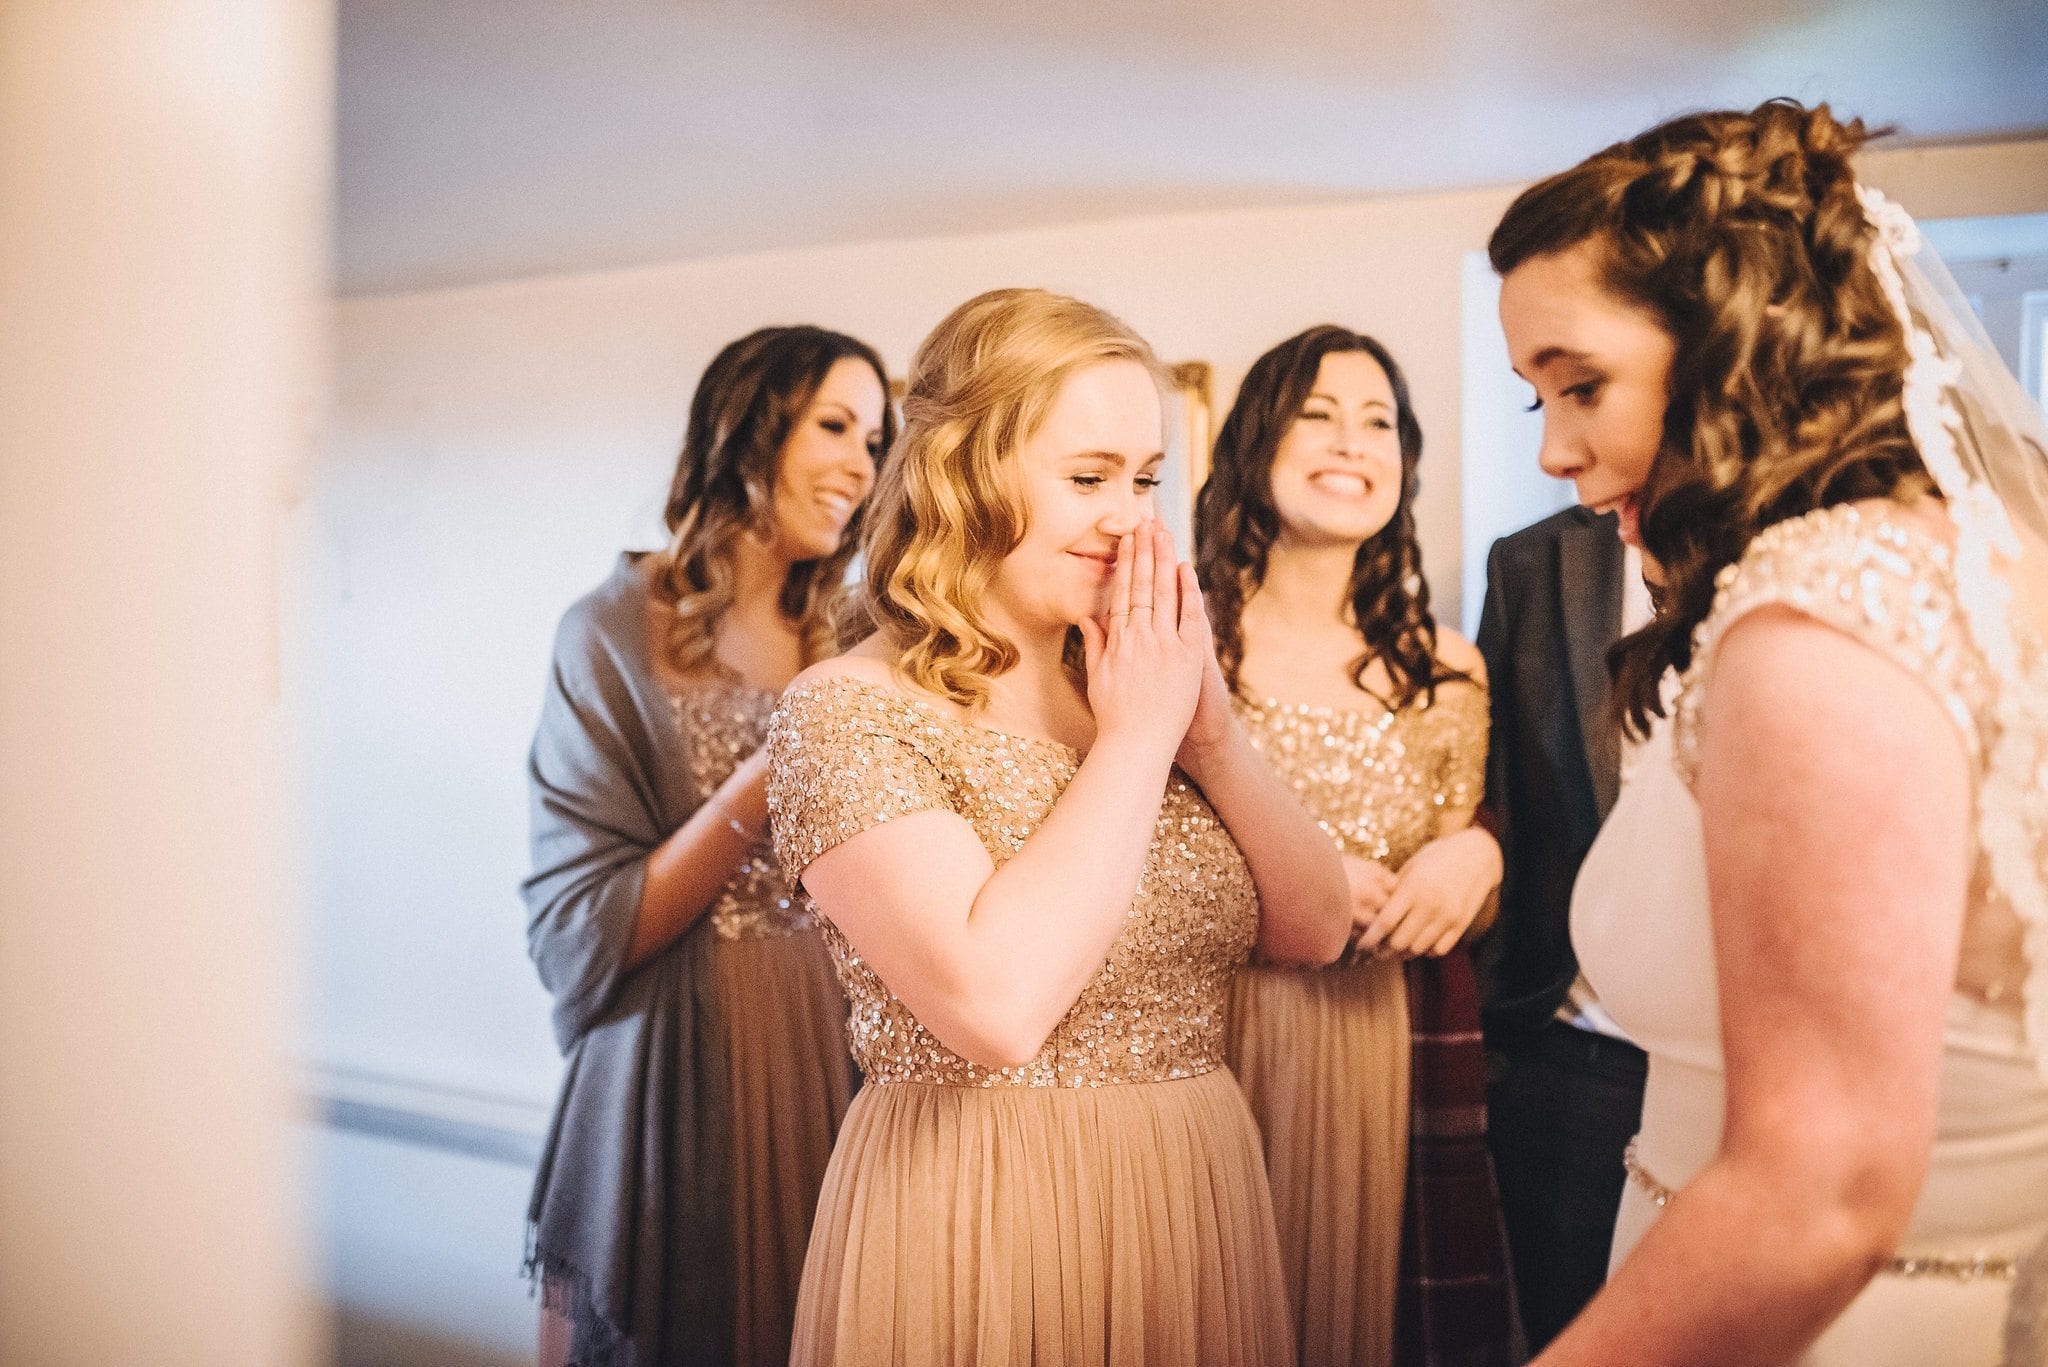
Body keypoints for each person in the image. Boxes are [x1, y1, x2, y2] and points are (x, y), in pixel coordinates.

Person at [1491, 98, 2048, 1364]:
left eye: (1581, 386)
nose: (1555, 451)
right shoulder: (1981, 559)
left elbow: (1819, 1189)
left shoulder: (1815, 623)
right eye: (1533, 399)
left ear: (1732, 346)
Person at [765, 287, 1352, 1367]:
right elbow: (995, 1008)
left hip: (1194, 1194)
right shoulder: (846, 708)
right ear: (965, 474)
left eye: (1143, 480)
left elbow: (1317, 928)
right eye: (1087, 478)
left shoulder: (1136, 678)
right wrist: (1137, 740)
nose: (1128, 516)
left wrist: (1210, 737)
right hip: (983, 1206)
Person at [521, 325, 891, 1367]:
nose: (860, 466)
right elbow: (580, 925)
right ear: (746, 426)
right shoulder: (610, 632)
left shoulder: (856, 638)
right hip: (682, 1060)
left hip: (840, 1055)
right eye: (834, 425)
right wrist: (767, 771)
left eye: (874, 439)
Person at [1198, 325, 1518, 1366]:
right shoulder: (1182, 641)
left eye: (1377, 421)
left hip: (1378, 1047)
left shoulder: (1444, 668)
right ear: (1254, 444)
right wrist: (1294, 881)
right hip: (1204, 1031)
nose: (1351, 442)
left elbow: (1462, 870)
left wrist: (1475, 861)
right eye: (1317, 415)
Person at [1472, 505, 1650, 1352]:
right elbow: (1495, 777)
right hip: (1574, 1050)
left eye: (1580, 388)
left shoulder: (1823, 545)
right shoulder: (1531, 562)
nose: (1549, 448)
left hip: (1775, 1066)